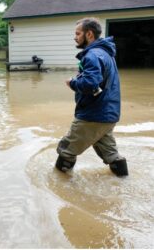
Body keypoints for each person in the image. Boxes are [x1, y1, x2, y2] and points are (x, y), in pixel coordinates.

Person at [55, 17, 128, 177]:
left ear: (89, 35)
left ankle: (56, 188)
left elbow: (90, 83)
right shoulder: (106, 54)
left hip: (92, 117)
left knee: (65, 150)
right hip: (109, 115)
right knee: (111, 155)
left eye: (78, 33)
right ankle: (124, 184)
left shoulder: (92, 55)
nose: (75, 37)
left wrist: (73, 83)